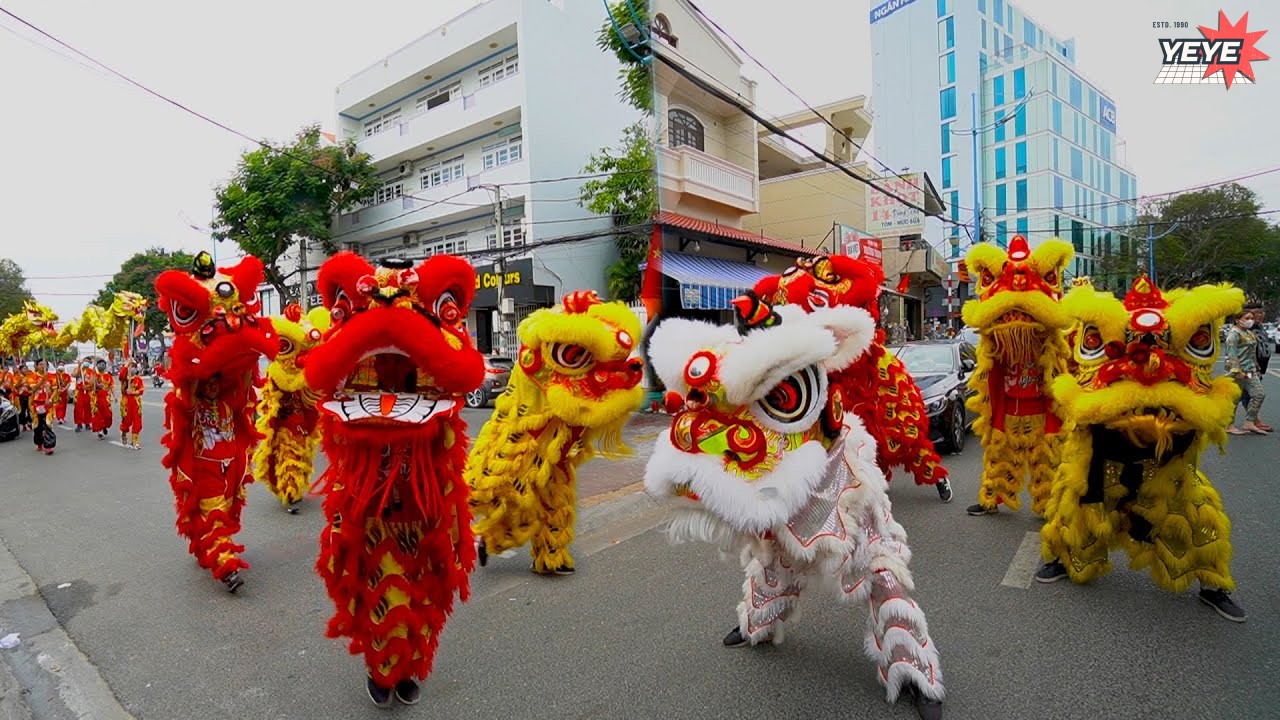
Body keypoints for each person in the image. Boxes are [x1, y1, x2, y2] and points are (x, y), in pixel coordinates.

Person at [1224, 309, 1269, 435]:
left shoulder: (1249, 333)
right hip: (1237, 372)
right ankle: (1229, 425)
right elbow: (1231, 354)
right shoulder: (1234, 334)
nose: (1250, 321)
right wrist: (1236, 371)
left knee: (1259, 394)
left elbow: (1251, 351)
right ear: (1238, 320)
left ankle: (1249, 422)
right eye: (1247, 318)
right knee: (1234, 398)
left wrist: (1256, 366)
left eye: (1252, 318)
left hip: (1250, 371)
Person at [29, 360, 55, 455]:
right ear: (36, 366)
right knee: (38, 426)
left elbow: (55, 390)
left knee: (48, 424)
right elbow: (33, 389)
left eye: (45, 364)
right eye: (40, 364)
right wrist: (42, 380)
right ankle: (39, 443)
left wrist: (50, 399)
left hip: (48, 404)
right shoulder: (32, 376)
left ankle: (49, 445)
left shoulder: (52, 376)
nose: (43, 366)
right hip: (36, 405)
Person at [119, 362, 144, 449]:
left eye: (134, 367)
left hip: (136, 403)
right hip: (126, 402)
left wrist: (132, 392)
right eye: (130, 367)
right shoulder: (124, 378)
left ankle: (135, 441)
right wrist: (126, 364)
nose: (132, 368)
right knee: (126, 421)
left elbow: (141, 390)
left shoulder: (138, 379)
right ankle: (124, 433)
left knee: (137, 422)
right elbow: (121, 375)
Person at [91, 357, 115, 440]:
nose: (102, 365)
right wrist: (93, 375)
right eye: (100, 364)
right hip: (96, 398)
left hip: (106, 398)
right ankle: (99, 431)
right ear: (96, 365)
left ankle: (104, 426)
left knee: (108, 415)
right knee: (97, 415)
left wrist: (115, 396)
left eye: (103, 364)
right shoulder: (94, 375)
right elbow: (91, 385)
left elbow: (112, 387)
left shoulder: (108, 376)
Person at [73, 360, 94, 432]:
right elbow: (74, 375)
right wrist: (79, 366)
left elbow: (93, 382)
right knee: (78, 409)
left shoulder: (91, 371)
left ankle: (87, 423)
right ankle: (79, 424)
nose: (87, 362)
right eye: (86, 361)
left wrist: (88, 386)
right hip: (79, 392)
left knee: (88, 408)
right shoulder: (79, 369)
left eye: (89, 361)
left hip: (88, 392)